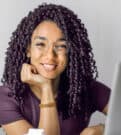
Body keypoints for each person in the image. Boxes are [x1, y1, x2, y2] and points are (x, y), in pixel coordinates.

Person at [0, 3, 110, 135]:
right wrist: (46, 87)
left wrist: (104, 129)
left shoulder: (86, 89)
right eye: (41, 44)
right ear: (28, 49)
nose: (50, 56)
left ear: (71, 52)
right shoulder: (6, 97)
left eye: (61, 46)